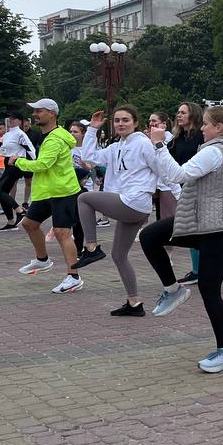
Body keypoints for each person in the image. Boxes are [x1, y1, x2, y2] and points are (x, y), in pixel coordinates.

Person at [139, 105, 223, 372]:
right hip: (206, 224)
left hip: (221, 229)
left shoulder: (216, 151)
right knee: (150, 236)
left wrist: (159, 146)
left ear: (218, 128)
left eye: (206, 124)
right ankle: (173, 289)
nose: (202, 128)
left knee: (209, 290)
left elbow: (177, 175)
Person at [74, 107, 162, 316]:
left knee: (84, 198)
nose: (121, 124)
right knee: (119, 255)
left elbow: (162, 169)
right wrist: (93, 130)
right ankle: (135, 303)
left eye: (125, 120)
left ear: (135, 123)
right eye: (117, 120)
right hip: (129, 204)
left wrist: (178, 194)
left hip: (134, 202)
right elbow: (89, 158)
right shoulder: (116, 147)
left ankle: (92, 247)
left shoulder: (142, 143)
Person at [6, 99, 84, 293]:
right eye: (34, 111)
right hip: (47, 191)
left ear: (52, 114)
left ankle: (73, 276)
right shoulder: (45, 135)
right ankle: (42, 260)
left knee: (61, 232)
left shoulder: (55, 138)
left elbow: (42, 165)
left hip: (63, 191)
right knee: (29, 224)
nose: (35, 114)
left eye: (39, 111)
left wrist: (18, 162)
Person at [169, 102, 206, 285]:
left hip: (201, 188)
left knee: (198, 229)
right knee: (192, 230)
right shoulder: (177, 138)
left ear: (193, 115)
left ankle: (203, 269)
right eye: (178, 112)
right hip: (185, 189)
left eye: (183, 112)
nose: (179, 115)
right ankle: (200, 269)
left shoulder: (201, 136)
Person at [0, 113, 36, 231]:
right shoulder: (7, 135)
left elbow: (31, 150)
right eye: (9, 118)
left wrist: (34, 164)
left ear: (20, 121)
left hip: (16, 164)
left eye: (13, 118)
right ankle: (10, 222)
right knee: (2, 192)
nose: (10, 120)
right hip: (7, 163)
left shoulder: (20, 134)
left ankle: (20, 211)